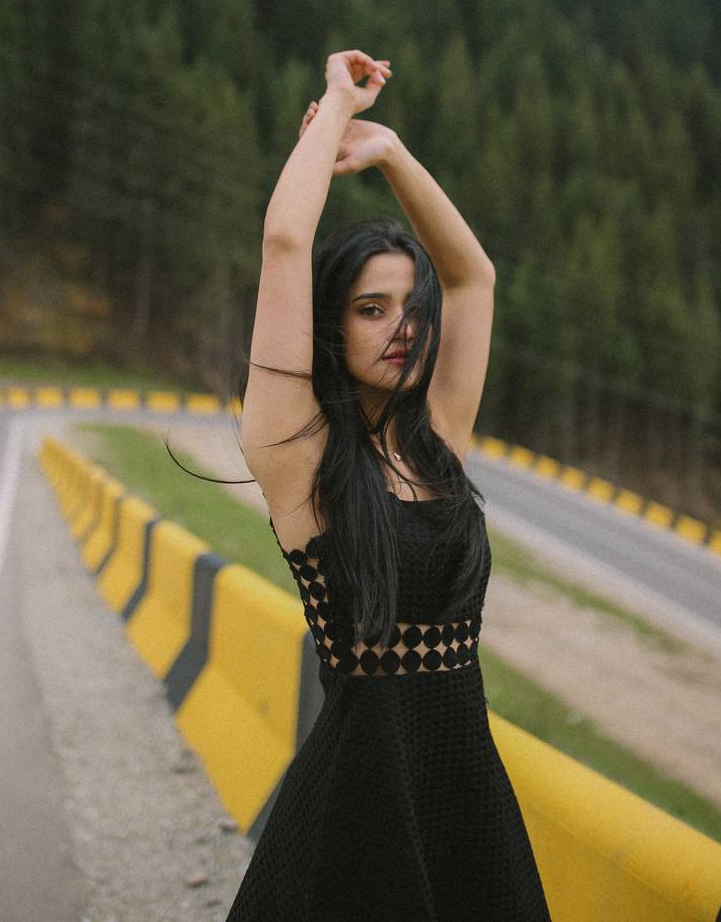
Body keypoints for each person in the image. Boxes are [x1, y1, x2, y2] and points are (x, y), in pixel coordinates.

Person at [221, 47, 553, 922]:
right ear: (330, 327)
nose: (402, 327)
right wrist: (337, 105)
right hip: (356, 806)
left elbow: (472, 277)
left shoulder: (439, 440)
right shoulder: (297, 455)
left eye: (411, 308)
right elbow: (286, 243)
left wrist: (392, 152)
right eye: (371, 309)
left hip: (466, 789)